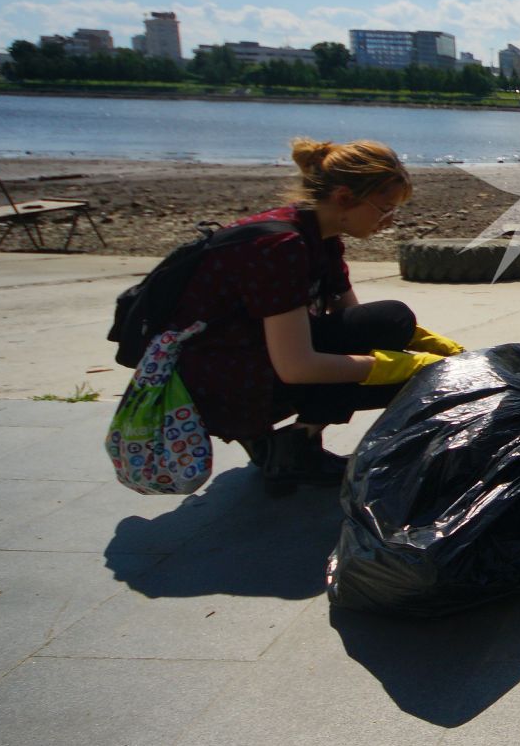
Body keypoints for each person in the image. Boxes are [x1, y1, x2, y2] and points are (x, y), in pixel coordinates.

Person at [170, 138, 463, 495]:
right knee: (404, 368)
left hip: (249, 364)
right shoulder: (281, 248)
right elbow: (296, 367)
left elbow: (360, 322)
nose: (389, 222)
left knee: (393, 322)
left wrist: (427, 345)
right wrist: (400, 367)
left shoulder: (321, 237)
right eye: (384, 209)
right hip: (223, 388)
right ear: (343, 198)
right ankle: (289, 446)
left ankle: (289, 445)